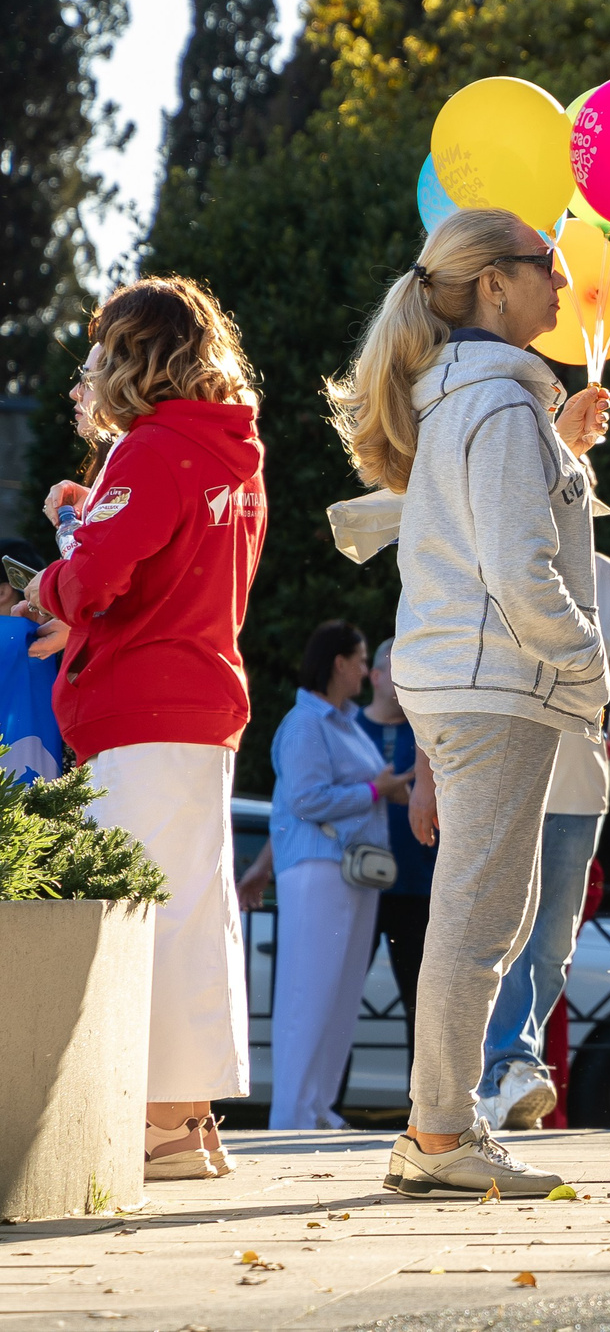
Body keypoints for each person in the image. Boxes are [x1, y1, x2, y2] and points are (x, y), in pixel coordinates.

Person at [325, 207, 610, 1197]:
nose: (563, 282)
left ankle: (440, 1126)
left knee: (486, 907)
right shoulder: (498, 402)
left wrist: (563, 451)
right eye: (547, 265)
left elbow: (489, 531)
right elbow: (520, 569)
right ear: (493, 283)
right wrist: (589, 666)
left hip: (468, 677)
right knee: (481, 914)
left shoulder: (473, 396)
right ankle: (441, 1133)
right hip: (493, 684)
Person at [17, 278, 267, 1181]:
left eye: (98, 355)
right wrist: (91, 516)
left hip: (140, 707)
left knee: (138, 917)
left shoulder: (152, 448)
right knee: (192, 911)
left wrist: (47, 584)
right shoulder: (227, 449)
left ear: (134, 357)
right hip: (202, 700)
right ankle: (188, 1119)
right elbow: (168, 567)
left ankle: (161, 1127)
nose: (87, 374)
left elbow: (96, 581)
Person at [478, 549, 610, 1129]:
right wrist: (428, 775)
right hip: (503, 776)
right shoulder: (493, 554)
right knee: (511, 933)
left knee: (552, 948)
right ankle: (508, 1066)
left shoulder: (608, 574)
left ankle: (505, 1074)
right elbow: (453, 669)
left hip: (581, 790)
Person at [269, 621, 407, 1130]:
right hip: (317, 868)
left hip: (351, 872)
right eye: (362, 659)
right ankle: (291, 1116)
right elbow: (305, 800)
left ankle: (317, 1107)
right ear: (339, 663)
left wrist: (382, 789)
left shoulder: (343, 722)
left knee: (341, 995)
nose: (367, 670)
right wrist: (375, 791)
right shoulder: (305, 723)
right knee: (308, 994)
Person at [356, 637, 433, 1035]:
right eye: (398, 667)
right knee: (339, 1004)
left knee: (422, 1012)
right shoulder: (345, 728)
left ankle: (420, 1082)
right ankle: (330, 1081)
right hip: (356, 886)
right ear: (376, 676)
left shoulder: (428, 735)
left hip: (418, 888)